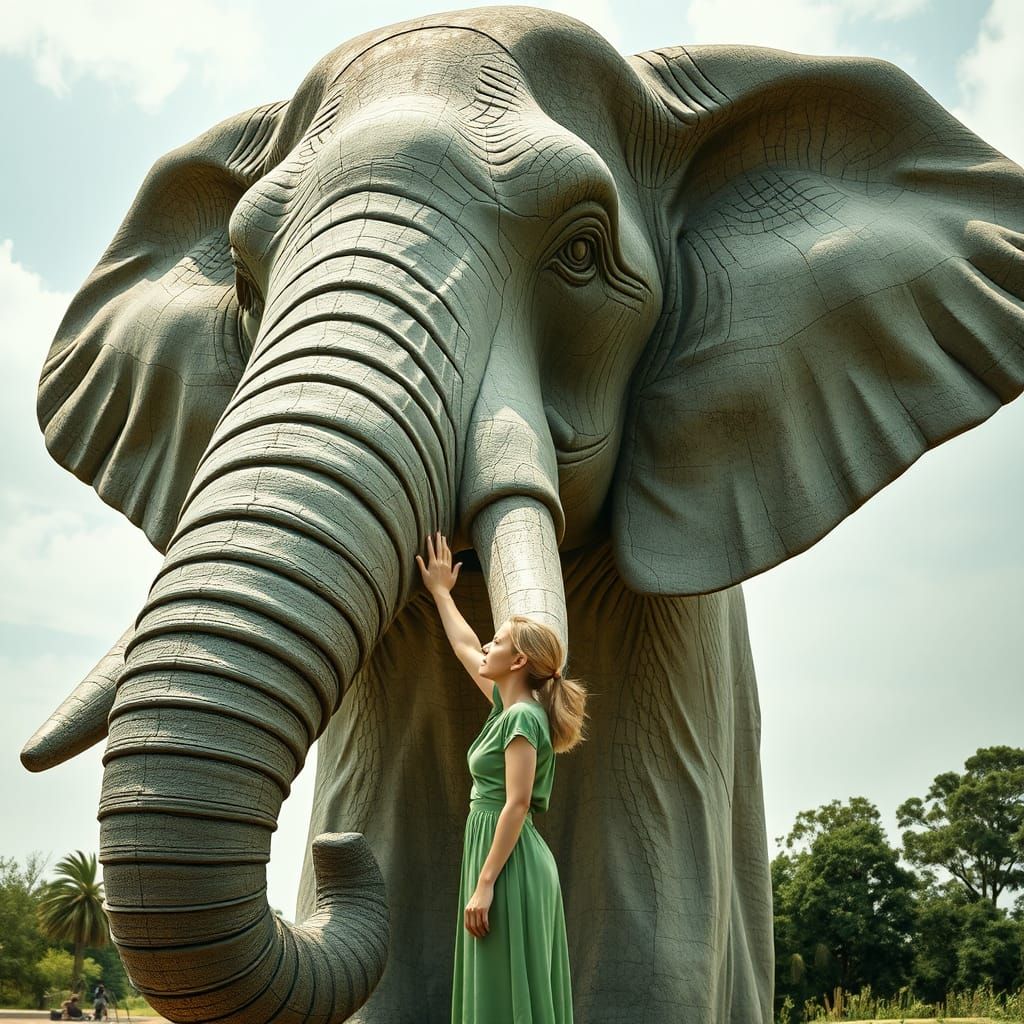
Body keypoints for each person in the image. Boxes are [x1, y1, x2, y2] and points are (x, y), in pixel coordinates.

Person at [417, 531, 588, 1024]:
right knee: (498, 991)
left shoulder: (521, 719)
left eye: (500, 641)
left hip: (507, 864)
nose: (488, 645)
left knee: (504, 995)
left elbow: (516, 803)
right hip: (497, 853)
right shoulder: (508, 706)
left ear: (517, 662)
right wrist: (441, 592)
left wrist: (485, 882)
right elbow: (467, 647)